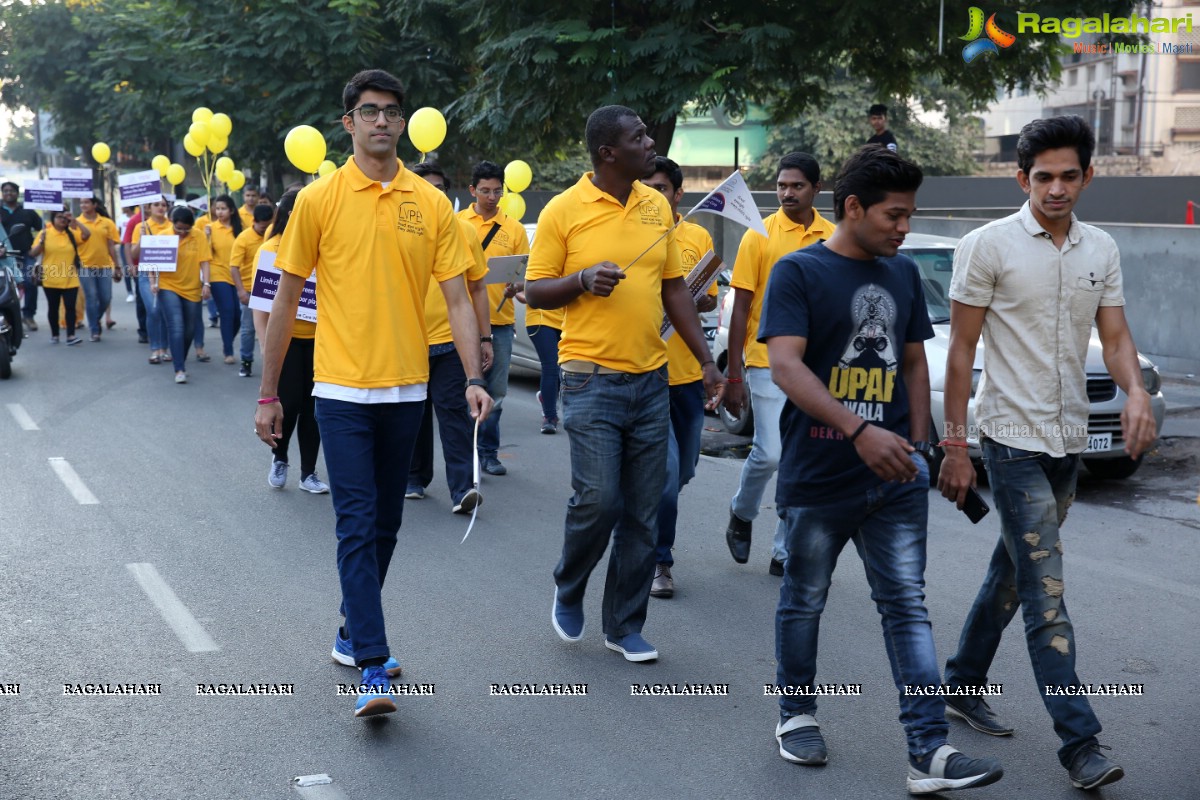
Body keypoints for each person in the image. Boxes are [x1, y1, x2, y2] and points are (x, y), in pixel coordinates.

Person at [760, 145, 1003, 794]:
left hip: (895, 479)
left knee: (906, 608)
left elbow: (916, 364)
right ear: (852, 208)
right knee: (805, 599)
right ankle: (796, 714)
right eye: (895, 215)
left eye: (910, 214)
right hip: (818, 474)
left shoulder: (899, 276)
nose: (904, 227)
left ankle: (928, 750)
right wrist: (858, 429)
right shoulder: (798, 273)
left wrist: (923, 449)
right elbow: (786, 366)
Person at [255, 69, 491, 717]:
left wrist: (473, 376)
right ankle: (373, 667)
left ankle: (348, 629)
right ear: (348, 123)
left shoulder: (431, 203)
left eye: (390, 111)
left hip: (407, 390)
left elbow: (457, 299)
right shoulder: (319, 199)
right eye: (368, 111)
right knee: (356, 525)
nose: (381, 121)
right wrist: (270, 393)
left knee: (386, 525)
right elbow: (283, 300)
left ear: (402, 121)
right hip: (337, 389)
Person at [937, 116, 1157, 791]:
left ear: (1087, 176)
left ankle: (960, 682)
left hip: (1068, 443)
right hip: (1009, 440)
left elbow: (1115, 339)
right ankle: (1080, 742)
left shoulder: (1101, 249)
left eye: (1069, 176)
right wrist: (954, 443)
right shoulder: (986, 245)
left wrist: (1135, 394)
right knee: (1047, 593)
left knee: (1014, 572)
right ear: (1021, 178)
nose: (1056, 189)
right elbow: (962, 352)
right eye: (1043, 177)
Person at [525, 104, 723, 663]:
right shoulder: (565, 209)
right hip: (589, 379)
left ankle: (624, 624)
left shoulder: (657, 203)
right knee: (600, 498)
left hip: (651, 380)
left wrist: (707, 361)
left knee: (643, 508)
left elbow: (675, 291)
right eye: (639, 136)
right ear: (608, 153)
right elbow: (535, 293)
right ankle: (569, 585)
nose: (650, 141)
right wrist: (583, 280)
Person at [723, 152, 834, 576]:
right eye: (782, 186)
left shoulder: (833, 237)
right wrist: (733, 374)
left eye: (797, 186)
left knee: (800, 459)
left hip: (815, 366)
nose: (787, 193)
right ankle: (742, 511)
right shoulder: (760, 234)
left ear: (816, 189)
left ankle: (785, 551)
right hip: (764, 360)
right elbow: (741, 307)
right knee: (770, 454)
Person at [642, 156, 718, 599]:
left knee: (684, 470)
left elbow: (707, 300)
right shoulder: (633, 236)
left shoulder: (697, 236)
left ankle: (646, 513)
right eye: (647, 187)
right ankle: (659, 561)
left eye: (661, 188)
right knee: (667, 477)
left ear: (677, 194)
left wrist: (697, 299)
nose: (654, 195)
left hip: (689, 376)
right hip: (647, 375)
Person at [407, 161, 492, 513]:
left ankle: (462, 490)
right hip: (407, 341)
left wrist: (485, 339)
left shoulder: (463, 231)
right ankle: (414, 477)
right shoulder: (401, 231)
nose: (434, 194)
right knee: (414, 415)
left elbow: (477, 289)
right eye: (427, 187)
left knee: (455, 415)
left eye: (440, 187)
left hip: (451, 342)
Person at [249, 189, 328, 494]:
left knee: (315, 409)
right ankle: (280, 457)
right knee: (289, 405)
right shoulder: (270, 248)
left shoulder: (326, 244)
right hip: (287, 343)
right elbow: (262, 305)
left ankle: (309, 473)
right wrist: (265, 344)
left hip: (322, 341)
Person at [458, 160, 530, 476]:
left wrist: (518, 285)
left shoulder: (513, 229)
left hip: (500, 323)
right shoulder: (458, 222)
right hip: (460, 321)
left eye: (497, 191)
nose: (491, 196)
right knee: (462, 388)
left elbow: (523, 275)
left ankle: (488, 452)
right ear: (473, 190)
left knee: (496, 391)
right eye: (485, 190)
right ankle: (463, 453)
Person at [152, 206, 212, 383]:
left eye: (187, 229)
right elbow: (152, 262)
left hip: (192, 288)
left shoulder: (198, 236)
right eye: (179, 229)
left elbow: (205, 262)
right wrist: (152, 282)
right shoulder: (162, 237)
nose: (183, 233)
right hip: (168, 285)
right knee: (176, 325)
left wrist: (206, 284)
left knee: (190, 330)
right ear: (172, 223)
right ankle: (179, 368)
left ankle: (179, 357)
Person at [29, 207, 90, 345]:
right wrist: (41, 242)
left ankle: (71, 336)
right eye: (59, 217)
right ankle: (55, 335)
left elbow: (87, 234)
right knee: (53, 307)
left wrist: (75, 221)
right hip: (51, 278)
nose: (62, 219)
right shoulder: (45, 233)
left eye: (65, 217)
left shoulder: (71, 234)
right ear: (53, 219)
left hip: (70, 278)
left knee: (70, 307)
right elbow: (32, 253)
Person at [131, 199, 175, 364]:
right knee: (154, 309)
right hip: (145, 272)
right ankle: (155, 347)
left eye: (163, 205)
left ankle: (164, 348)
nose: (160, 208)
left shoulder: (172, 225)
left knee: (164, 310)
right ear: (148, 208)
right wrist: (142, 239)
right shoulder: (140, 227)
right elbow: (135, 254)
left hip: (167, 273)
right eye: (156, 204)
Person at [231, 204, 273, 377]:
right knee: (249, 329)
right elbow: (234, 267)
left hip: (272, 290)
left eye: (268, 225)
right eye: (262, 227)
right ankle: (246, 361)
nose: (265, 230)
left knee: (273, 330)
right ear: (254, 221)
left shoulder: (274, 236)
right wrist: (241, 291)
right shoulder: (243, 238)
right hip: (250, 291)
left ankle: (272, 366)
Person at [203, 194, 245, 365]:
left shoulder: (241, 229)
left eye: (223, 209)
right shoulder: (211, 228)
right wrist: (206, 237)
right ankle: (228, 350)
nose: (219, 212)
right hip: (217, 273)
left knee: (238, 315)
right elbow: (205, 255)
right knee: (227, 311)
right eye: (217, 208)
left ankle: (228, 340)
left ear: (232, 210)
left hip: (238, 275)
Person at [76, 196, 122, 342]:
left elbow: (111, 246)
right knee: (91, 296)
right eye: (82, 202)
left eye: (86, 202)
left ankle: (94, 318)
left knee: (106, 297)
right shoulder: (76, 223)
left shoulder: (107, 223)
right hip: (85, 265)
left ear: (94, 204)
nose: (83, 205)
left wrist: (117, 265)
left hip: (104, 266)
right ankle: (94, 330)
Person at [1, 181, 44, 331]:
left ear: (17, 193)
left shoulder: (28, 211)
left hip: (26, 254)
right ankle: (7, 316)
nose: (8, 193)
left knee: (29, 282)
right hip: (3, 257)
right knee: (4, 286)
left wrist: (38, 246)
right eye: (5, 191)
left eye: (11, 191)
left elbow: (42, 230)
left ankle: (28, 315)